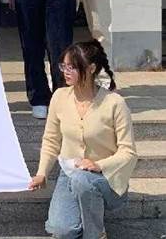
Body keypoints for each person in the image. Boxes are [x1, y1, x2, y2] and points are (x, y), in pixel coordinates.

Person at [29, 40, 136, 239]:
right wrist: (42, 173)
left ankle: (95, 234)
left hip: (108, 178)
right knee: (63, 231)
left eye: (72, 67)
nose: (66, 72)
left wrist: (99, 165)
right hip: (70, 173)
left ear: (91, 68)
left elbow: (128, 152)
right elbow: (51, 140)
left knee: (83, 180)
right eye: (64, 66)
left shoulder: (115, 103)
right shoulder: (59, 96)